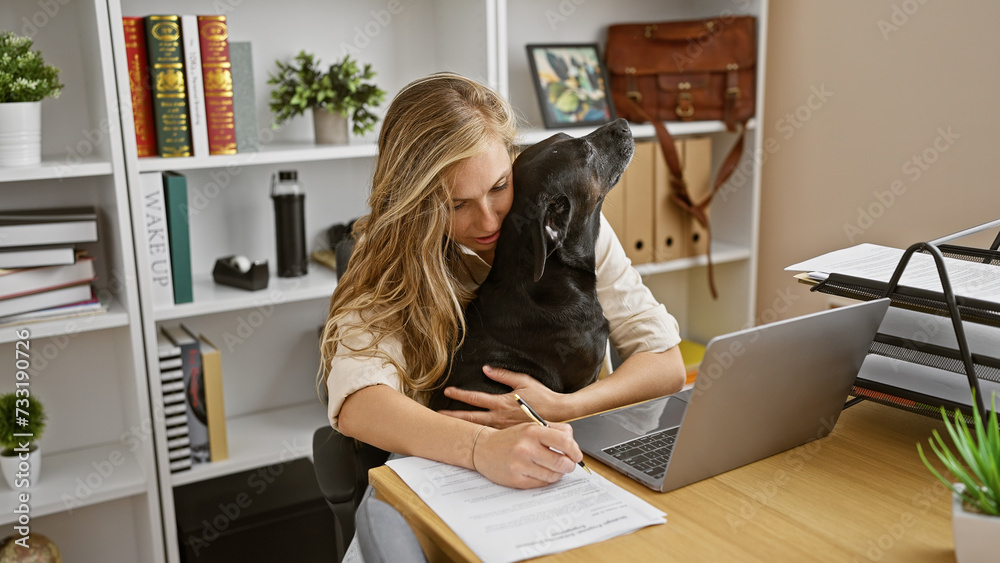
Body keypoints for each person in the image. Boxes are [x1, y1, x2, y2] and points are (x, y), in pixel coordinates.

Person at [318, 73, 685, 490]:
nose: (489, 220)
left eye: (498, 187)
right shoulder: (386, 262)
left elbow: (667, 365)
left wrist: (563, 407)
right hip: (452, 470)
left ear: (512, 158)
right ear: (414, 203)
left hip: (568, 456)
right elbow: (358, 405)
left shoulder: (566, 223)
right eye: (456, 205)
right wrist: (480, 447)